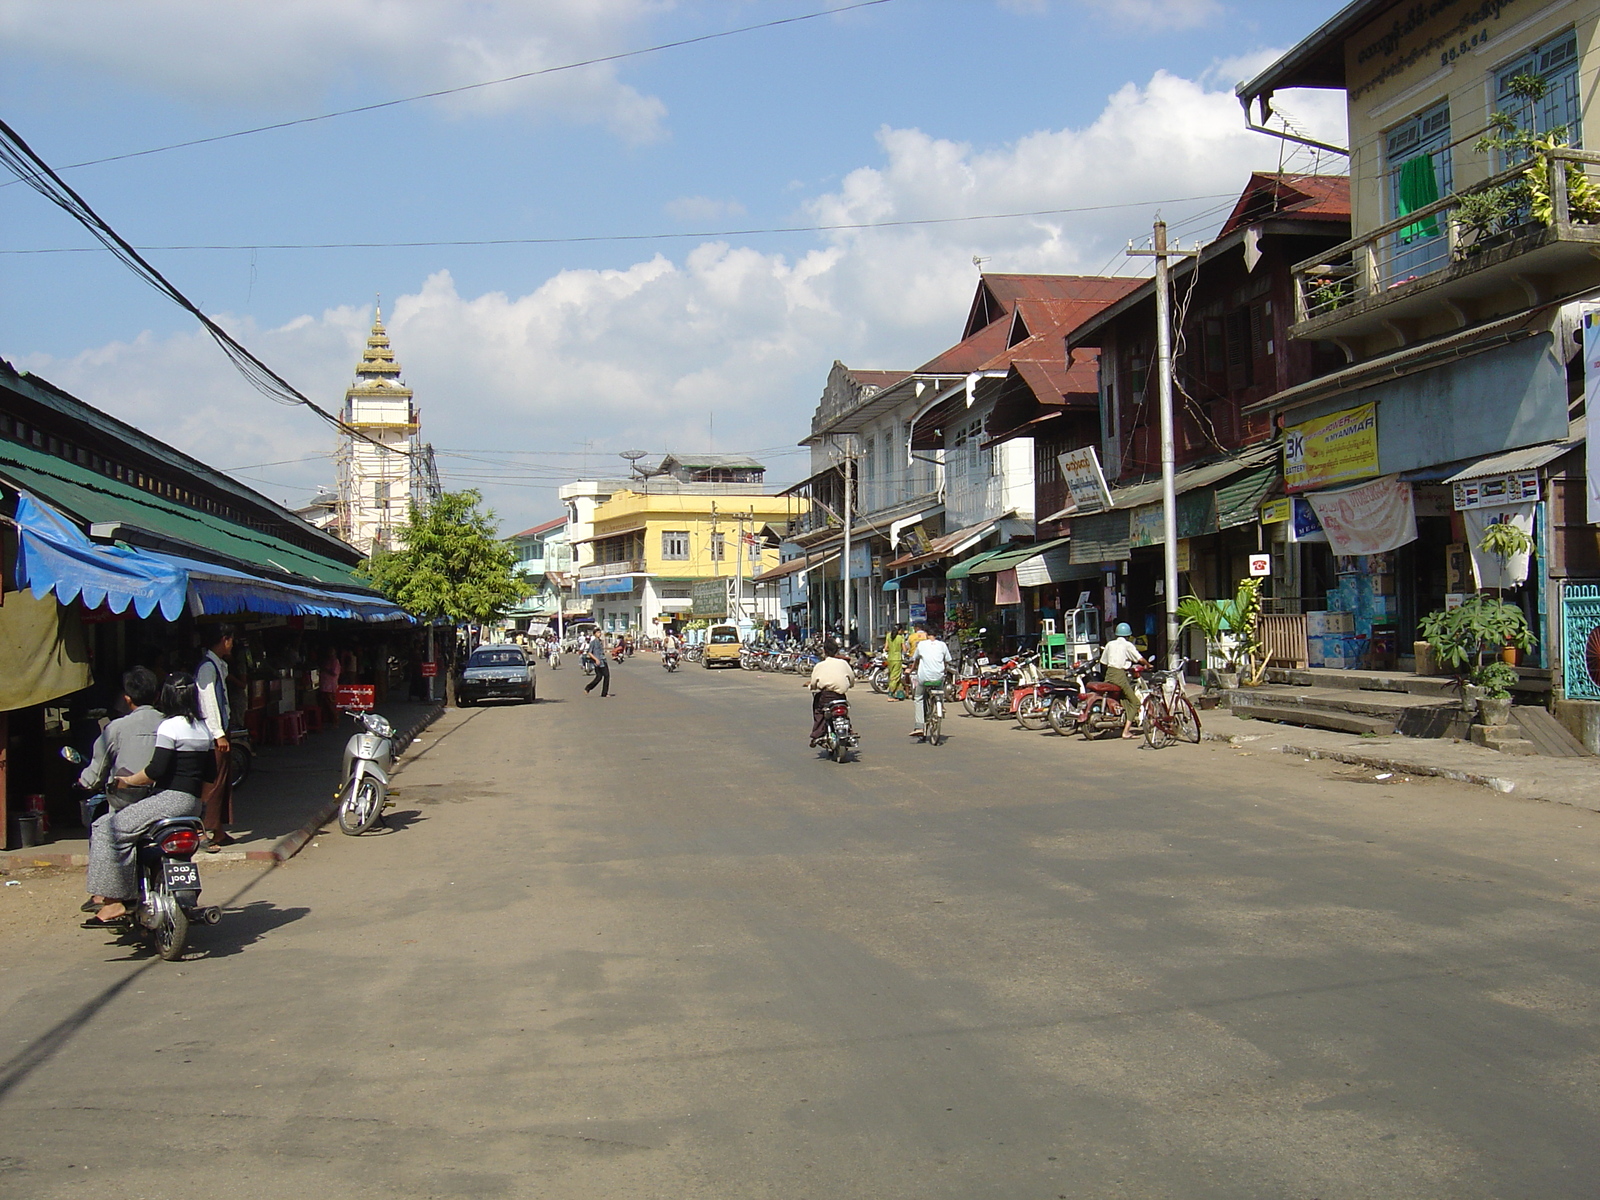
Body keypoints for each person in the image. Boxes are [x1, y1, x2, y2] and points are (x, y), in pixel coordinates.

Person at [82, 672, 215, 924]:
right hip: (193, 803)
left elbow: (154, 771)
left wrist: (127, 781)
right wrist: (200, 806)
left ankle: (112, 901)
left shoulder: (169, 726)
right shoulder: (203, 729)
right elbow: (210, 777)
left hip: (170, 799)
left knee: (106, 829)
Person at [77, 666, 164, 812]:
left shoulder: (116, 728)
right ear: (157, 696)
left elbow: (97, 772)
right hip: (165, 803)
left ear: (127, 699)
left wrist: (85, 781)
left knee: (102, 831)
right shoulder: (172, 725)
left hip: (126, 805)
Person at [194, 625, 236, 850]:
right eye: (231, 640)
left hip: (221, 729)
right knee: (213, 782)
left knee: (222, 781)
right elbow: (208, 702)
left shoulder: (217, 665)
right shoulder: (207, 668)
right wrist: (218, 734)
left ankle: (217, 829)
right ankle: (204, 830)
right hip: (213, 733)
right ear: (224, 640)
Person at [1100, 621, 1148, 739]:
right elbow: (1139, 658)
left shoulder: (1110, 644)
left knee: (1122, 698)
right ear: (1128, 635)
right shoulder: (1128, 645)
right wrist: (1148, 665)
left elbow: (1104, 662)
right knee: (1135, 702)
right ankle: (1126, 731)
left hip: (1109, 674)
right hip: (1120, 675)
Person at [907, 624, 953, 740]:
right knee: (939, 688)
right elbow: (947, 660)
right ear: (937, 635)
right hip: (938, 677)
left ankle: (919, 726)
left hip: (924, 678)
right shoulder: (942, 645)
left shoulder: (922, 644)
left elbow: (915, 660)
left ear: (926, 635)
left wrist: (911, 670)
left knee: (918, 697)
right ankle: (941, 705)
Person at [805, 639, 855, 745]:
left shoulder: (820, 665)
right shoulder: (843, 664)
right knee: (845, 714)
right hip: (840, 696)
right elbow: (851, 678)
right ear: (837, 651)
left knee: (818, 710)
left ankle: (817, 733)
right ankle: (849, 730)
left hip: (826, 696)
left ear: (824, 651)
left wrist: (811, 686)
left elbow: (814, 683)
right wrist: (850, 685)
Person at [583, 629, 612, 697]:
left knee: (599, 676)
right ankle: (604, 693)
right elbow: (589, 652)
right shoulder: (593, 642)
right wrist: (596, 659)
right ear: (595, 634)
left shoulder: (600, 641)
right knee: (605, 676)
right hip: (598, 661)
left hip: (603, 660)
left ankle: (588, 688)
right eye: (598, 632)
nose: (600, 634)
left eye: (600, 632)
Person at [884, 624, 908, 702]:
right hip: (897, 658)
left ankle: (900, 693)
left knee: (895, 676)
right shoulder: (900, 637)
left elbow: (886, 648)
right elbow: (904, 650)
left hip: (890, 658)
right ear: (900, 630)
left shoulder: (888, 635)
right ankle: (890, 695)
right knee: (895, 677)